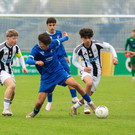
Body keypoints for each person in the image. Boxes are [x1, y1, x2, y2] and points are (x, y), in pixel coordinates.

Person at [26, 32, 96, 118]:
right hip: (47, 77)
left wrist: (66, 37)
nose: (48, 47)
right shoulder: (35, 49)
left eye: (49, 45)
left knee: (75, 84)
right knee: (40, 102)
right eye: (46, 45)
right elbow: (28, 60)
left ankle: (91, 103)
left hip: (58, 71)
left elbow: (62, 40)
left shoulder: (52, 42)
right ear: (40, 43)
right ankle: (34, 112)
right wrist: (36, 62)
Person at [71, 28, 118, 115]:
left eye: (89, 37)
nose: (88, 40)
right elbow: (74, 61)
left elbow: (110, 47)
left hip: (98, 73)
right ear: (81, 38)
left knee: (88, 94)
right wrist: (82, 68)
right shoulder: (78, 49)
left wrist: (115, 57)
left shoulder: (97, 44)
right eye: (85, 38)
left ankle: (74, 107)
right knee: (89, 83)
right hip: (86, 71)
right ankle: (87, 106)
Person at [45, 17, 78, 111]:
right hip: (52, 59)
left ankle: (74, 98)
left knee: (69, 76)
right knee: (50, 80)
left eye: (53, 25)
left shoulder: (59, 33)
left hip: (61, 58)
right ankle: (49, 102)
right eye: (50, 25)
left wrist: (65, 55)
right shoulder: (45, 36)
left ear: (55, 25)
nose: (52, 27)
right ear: (47, 26)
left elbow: (61, 45)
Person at [0, 29, 27, 116]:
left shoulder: (16, 47)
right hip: (1, 71)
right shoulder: (1, 48)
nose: (15, 40)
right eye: (13, 38)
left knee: (13, 92)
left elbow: (20, 57)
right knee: (11, 86)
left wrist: (23, 67)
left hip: (10, 71)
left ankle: (8, 107)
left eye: (16, 38)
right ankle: (5, 109)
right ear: (8, 39)